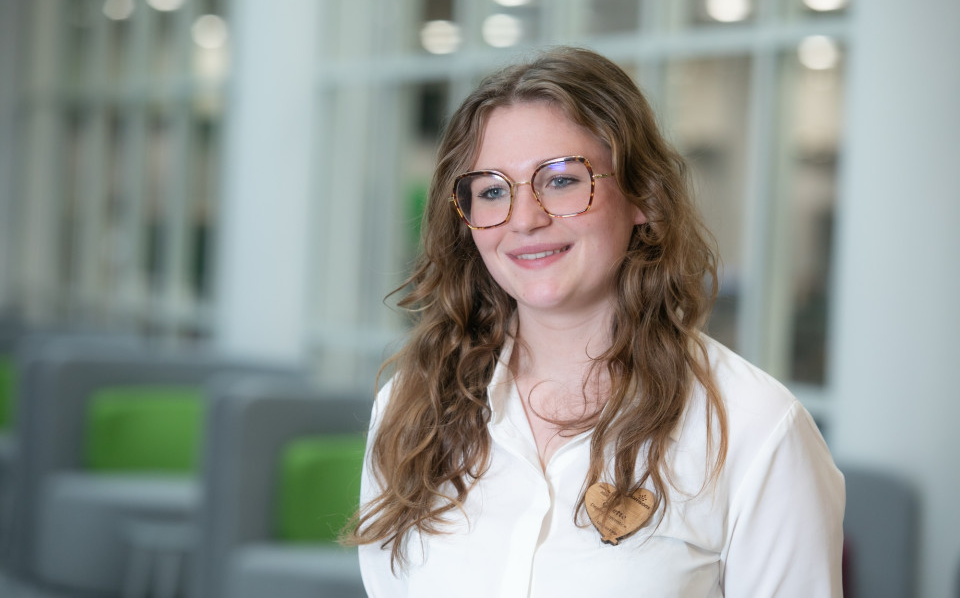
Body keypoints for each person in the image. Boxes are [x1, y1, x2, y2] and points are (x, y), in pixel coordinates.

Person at [347, 46, 845, 596]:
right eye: (492, 190)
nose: (526, 219)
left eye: (561, 179)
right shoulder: (410, 408)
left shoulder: (756, 429)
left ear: (645, 197)